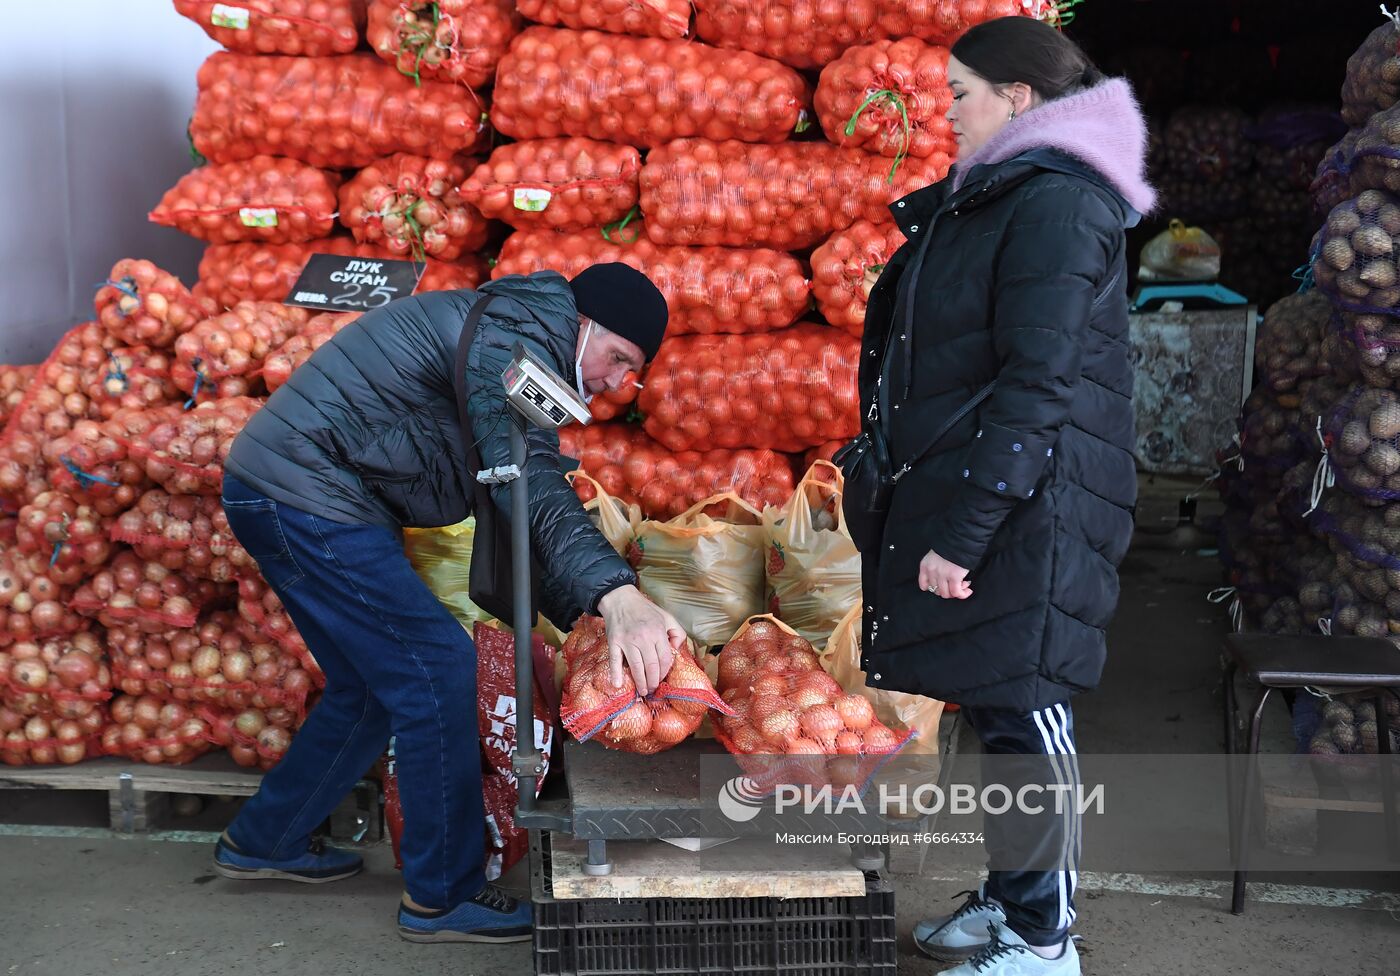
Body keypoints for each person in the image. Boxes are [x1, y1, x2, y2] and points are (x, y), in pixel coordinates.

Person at [210, 263, 687, 943]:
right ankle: (443, 895)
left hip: (290, 488)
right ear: (585, 325)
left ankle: (267, 838)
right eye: (620, 360)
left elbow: (513, 498)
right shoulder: (516, 340)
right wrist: (616, 595)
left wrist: (586, 614)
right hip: (307, 494)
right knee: (437, 670)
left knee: (371, 687)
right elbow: (531, 479)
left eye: (630, 373)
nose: (617, 383)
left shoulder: (518, 332)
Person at [853, 17, 1153, 976]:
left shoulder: (1058, 204)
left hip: (1040, 506)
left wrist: (968, 529)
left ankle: (1044, 943)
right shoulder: (1005, 196)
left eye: (957, 94)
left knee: (1028, 711)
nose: (945, 113)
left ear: (1017, 98)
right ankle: (1015, 898)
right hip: (1003, 492)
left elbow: (1038, 382)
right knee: (993, 702)